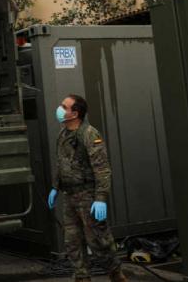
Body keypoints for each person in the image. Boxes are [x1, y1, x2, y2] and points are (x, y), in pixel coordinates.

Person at [47, 94, 127, 282]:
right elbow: (61, 164)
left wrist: (100, 198)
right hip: (70, 196)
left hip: (87, 196)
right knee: (72, 242)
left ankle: (116, 274)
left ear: (75, 113)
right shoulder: (63, 134)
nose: (59, 109)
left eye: (63, 107)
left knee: (98, 242)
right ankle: (82, 277)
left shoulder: (89, 134)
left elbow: (102, 169)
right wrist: (55, 187)